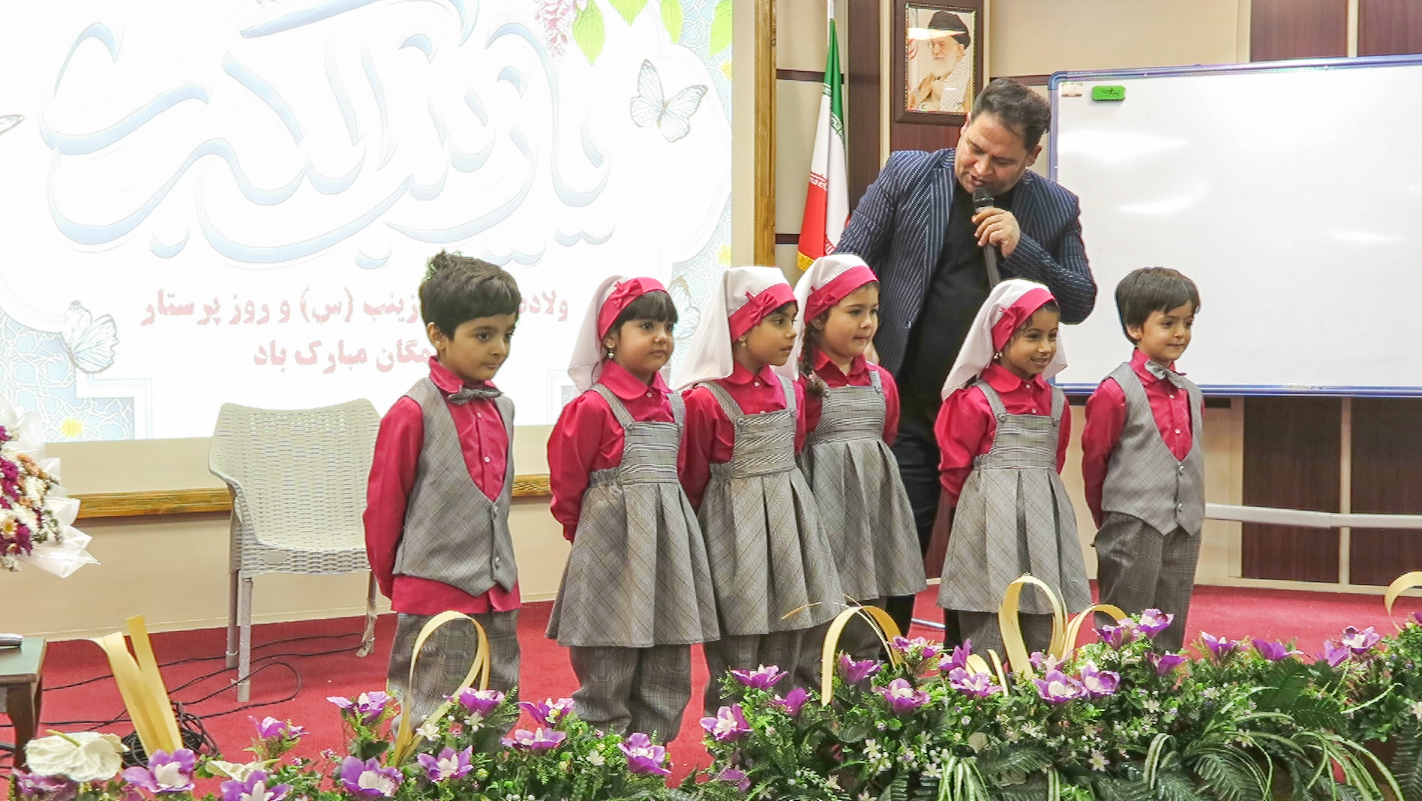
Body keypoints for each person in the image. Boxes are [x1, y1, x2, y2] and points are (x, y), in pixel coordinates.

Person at [835, 78, 1097, 638]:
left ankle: (972, 673)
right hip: (909, 401)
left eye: (1001, 161)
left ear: (1031, 157)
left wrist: (1022, 248)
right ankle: (883, 671)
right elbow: (846, 265)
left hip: (996, 421)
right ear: (963, 127)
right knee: (897, 544)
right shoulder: (907, 174)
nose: (980, 168)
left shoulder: (1054, 206)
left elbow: (1079, 301)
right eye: (974, 148)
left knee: (986, 551)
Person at [545, 276, 719, 743]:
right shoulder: (592, 408)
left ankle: (648, 764)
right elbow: (567, 486)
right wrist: (590, 540)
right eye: (646, 326)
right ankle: (602, 769)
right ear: (609, 337)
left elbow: (681, 475)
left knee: (667, 677)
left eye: (668, 327)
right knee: (607, 670)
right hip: (609, 557)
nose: (661, 337)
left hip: (666, 558)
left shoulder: (677, 406)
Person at [364, 251, 523, 723]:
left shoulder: (504, 408)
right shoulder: (411, 411)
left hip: (498, 592)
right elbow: (383, 509)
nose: (499, 348)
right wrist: (399, 583)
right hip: (433, 594)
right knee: (429, 718)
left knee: (496, 715)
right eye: (483, 335)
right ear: (438, 335)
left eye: (508, 334)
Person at [676, 267, 842, 712]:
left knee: (792, 633)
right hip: (733, 535)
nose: (792, 333)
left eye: (794, 321)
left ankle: (787, 736)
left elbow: (795, 449)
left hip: (789, 529)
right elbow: (692, 479)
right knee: (739, 646)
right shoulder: (704, 400)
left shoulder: (792, 392)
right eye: (778, 321)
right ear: (742, 328)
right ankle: (733, 739)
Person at [779, 254, 926, 663]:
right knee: (823, 608)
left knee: (871, 608)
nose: (867, 323)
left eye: (873, 311)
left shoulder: (883, 382)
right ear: (817, 318)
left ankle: (866, 682)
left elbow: (886, 436)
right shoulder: (800, 385)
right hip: (822, 508)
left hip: (872, 512)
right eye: (855, 311)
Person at [933, 280, 1090, 657]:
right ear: (1002, 337)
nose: (1045, 347)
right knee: (988, 616)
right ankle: (985, 686)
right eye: (1032, 336)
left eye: (1052, 336)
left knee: (1043, 614)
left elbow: (1055, 459)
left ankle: (1040, 685)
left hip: (1043, 522)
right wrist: (988, 505)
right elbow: (955, 469)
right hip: (988, 522)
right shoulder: (974, 400)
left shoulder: (1056, 402)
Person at [1081, 268, 1204, 653]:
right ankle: (1117, 685)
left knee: (1170, 620)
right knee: (1124, 624)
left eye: (1187, 323)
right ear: (1135, 328)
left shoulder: (1191, 392)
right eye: (1168, 323)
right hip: (1131, 522)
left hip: (1185, 523)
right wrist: (1110, 519)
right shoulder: (1115, 391)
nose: (1180, 333)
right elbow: (1095, 460)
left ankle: (1161, 684)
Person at [908, 11, 972, 114]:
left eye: (942, 44)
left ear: (959, 49)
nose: (935, 51)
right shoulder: (930, 79)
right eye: (933, 44)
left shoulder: (971, 82)